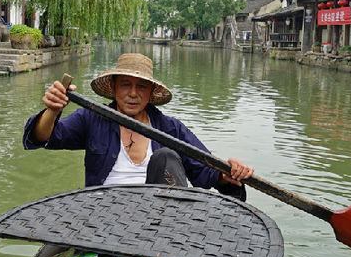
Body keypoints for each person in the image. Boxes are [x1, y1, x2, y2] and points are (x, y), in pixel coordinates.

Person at [23, 53, 254, 200]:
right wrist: (53, 109)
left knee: (165, 157)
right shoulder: (92, 118)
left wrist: (228, 172)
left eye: (141, 87)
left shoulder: (170, 128)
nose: (133, 93)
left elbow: (207, 172)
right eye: (125, 85)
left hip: (159, 218)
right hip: (101, 213)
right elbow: (44, 137)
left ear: (151, 93)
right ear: (113, 89)